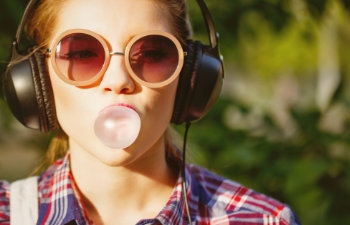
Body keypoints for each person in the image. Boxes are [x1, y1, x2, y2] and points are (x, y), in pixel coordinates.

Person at [0, 0, 301, 224]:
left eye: (152, 54)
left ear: (190, 79)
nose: (118, 81)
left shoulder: (263, 220)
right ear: (35, 78)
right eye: (83, 53)